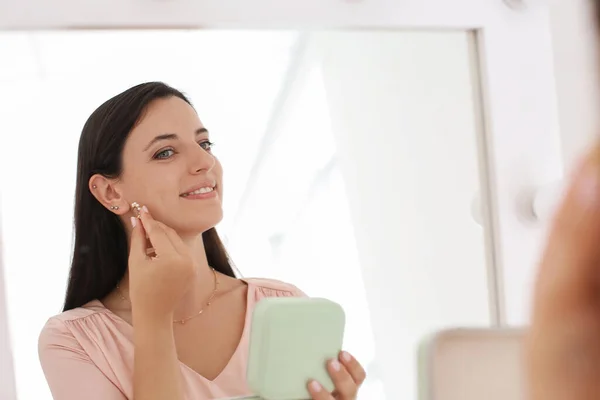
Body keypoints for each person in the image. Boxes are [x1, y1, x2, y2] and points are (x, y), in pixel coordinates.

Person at [38, 82, 366, 400]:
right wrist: (154, 319)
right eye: (165, 152)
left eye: (205, 144)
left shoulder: (284, 306)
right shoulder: (74, 342)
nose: (205, 163)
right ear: (111, 192)